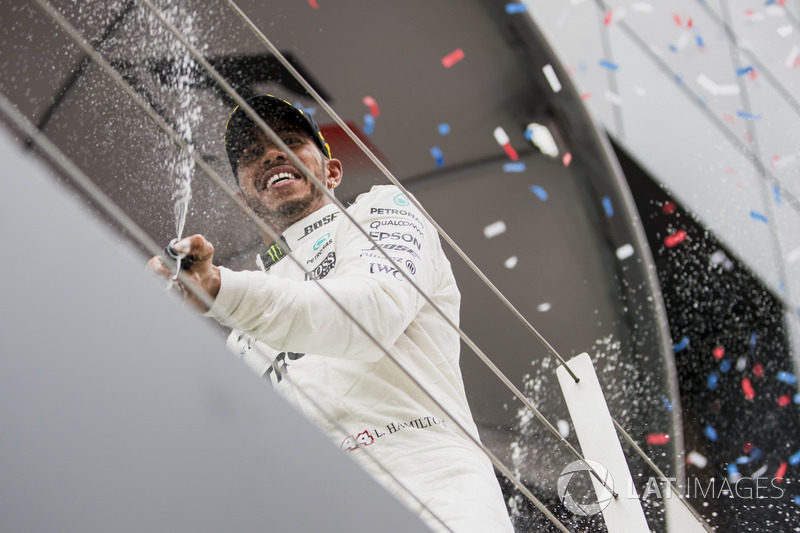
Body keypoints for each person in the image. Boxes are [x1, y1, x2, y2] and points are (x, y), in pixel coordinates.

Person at [148, 95, 514, 532]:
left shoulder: (379, 210)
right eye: (251, 155)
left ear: (332, 172)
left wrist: (220, 290)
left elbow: (371, 314)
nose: (270, 154)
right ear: (244, 199)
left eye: (290, 140)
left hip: (430, 484)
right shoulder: (242, 331)